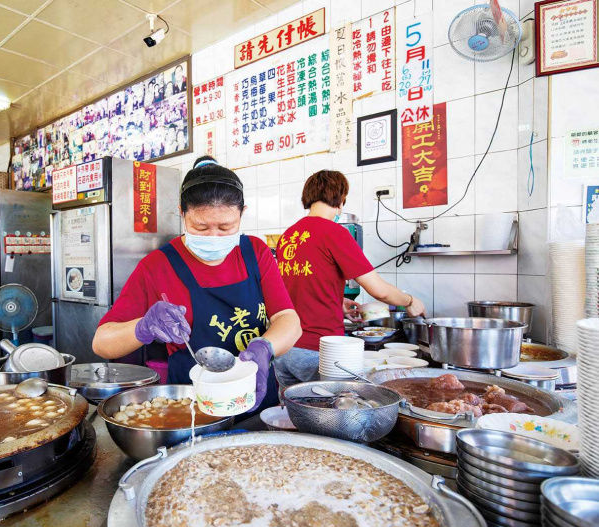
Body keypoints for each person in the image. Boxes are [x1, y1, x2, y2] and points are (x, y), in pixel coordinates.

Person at [92, 156, 301, 413]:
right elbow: (101, 342)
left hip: (255, 395)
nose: (214, 237)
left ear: (242, 214)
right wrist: (143, 327)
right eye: (200, 227)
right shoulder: (158, 265)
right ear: (182, 214)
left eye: (226, 227)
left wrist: (264, 347)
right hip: (192, 407)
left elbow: (288, 319)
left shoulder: (255, 252)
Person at [274, 170, 426, 388]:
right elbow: (378, 290)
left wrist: (338, 302)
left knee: (292, 416)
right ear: (340, 198)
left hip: (285, 348)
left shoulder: (288, 236)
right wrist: (410, 301)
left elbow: (297, 285)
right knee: (329, 416)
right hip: (318, 350)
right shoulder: (334, 232)